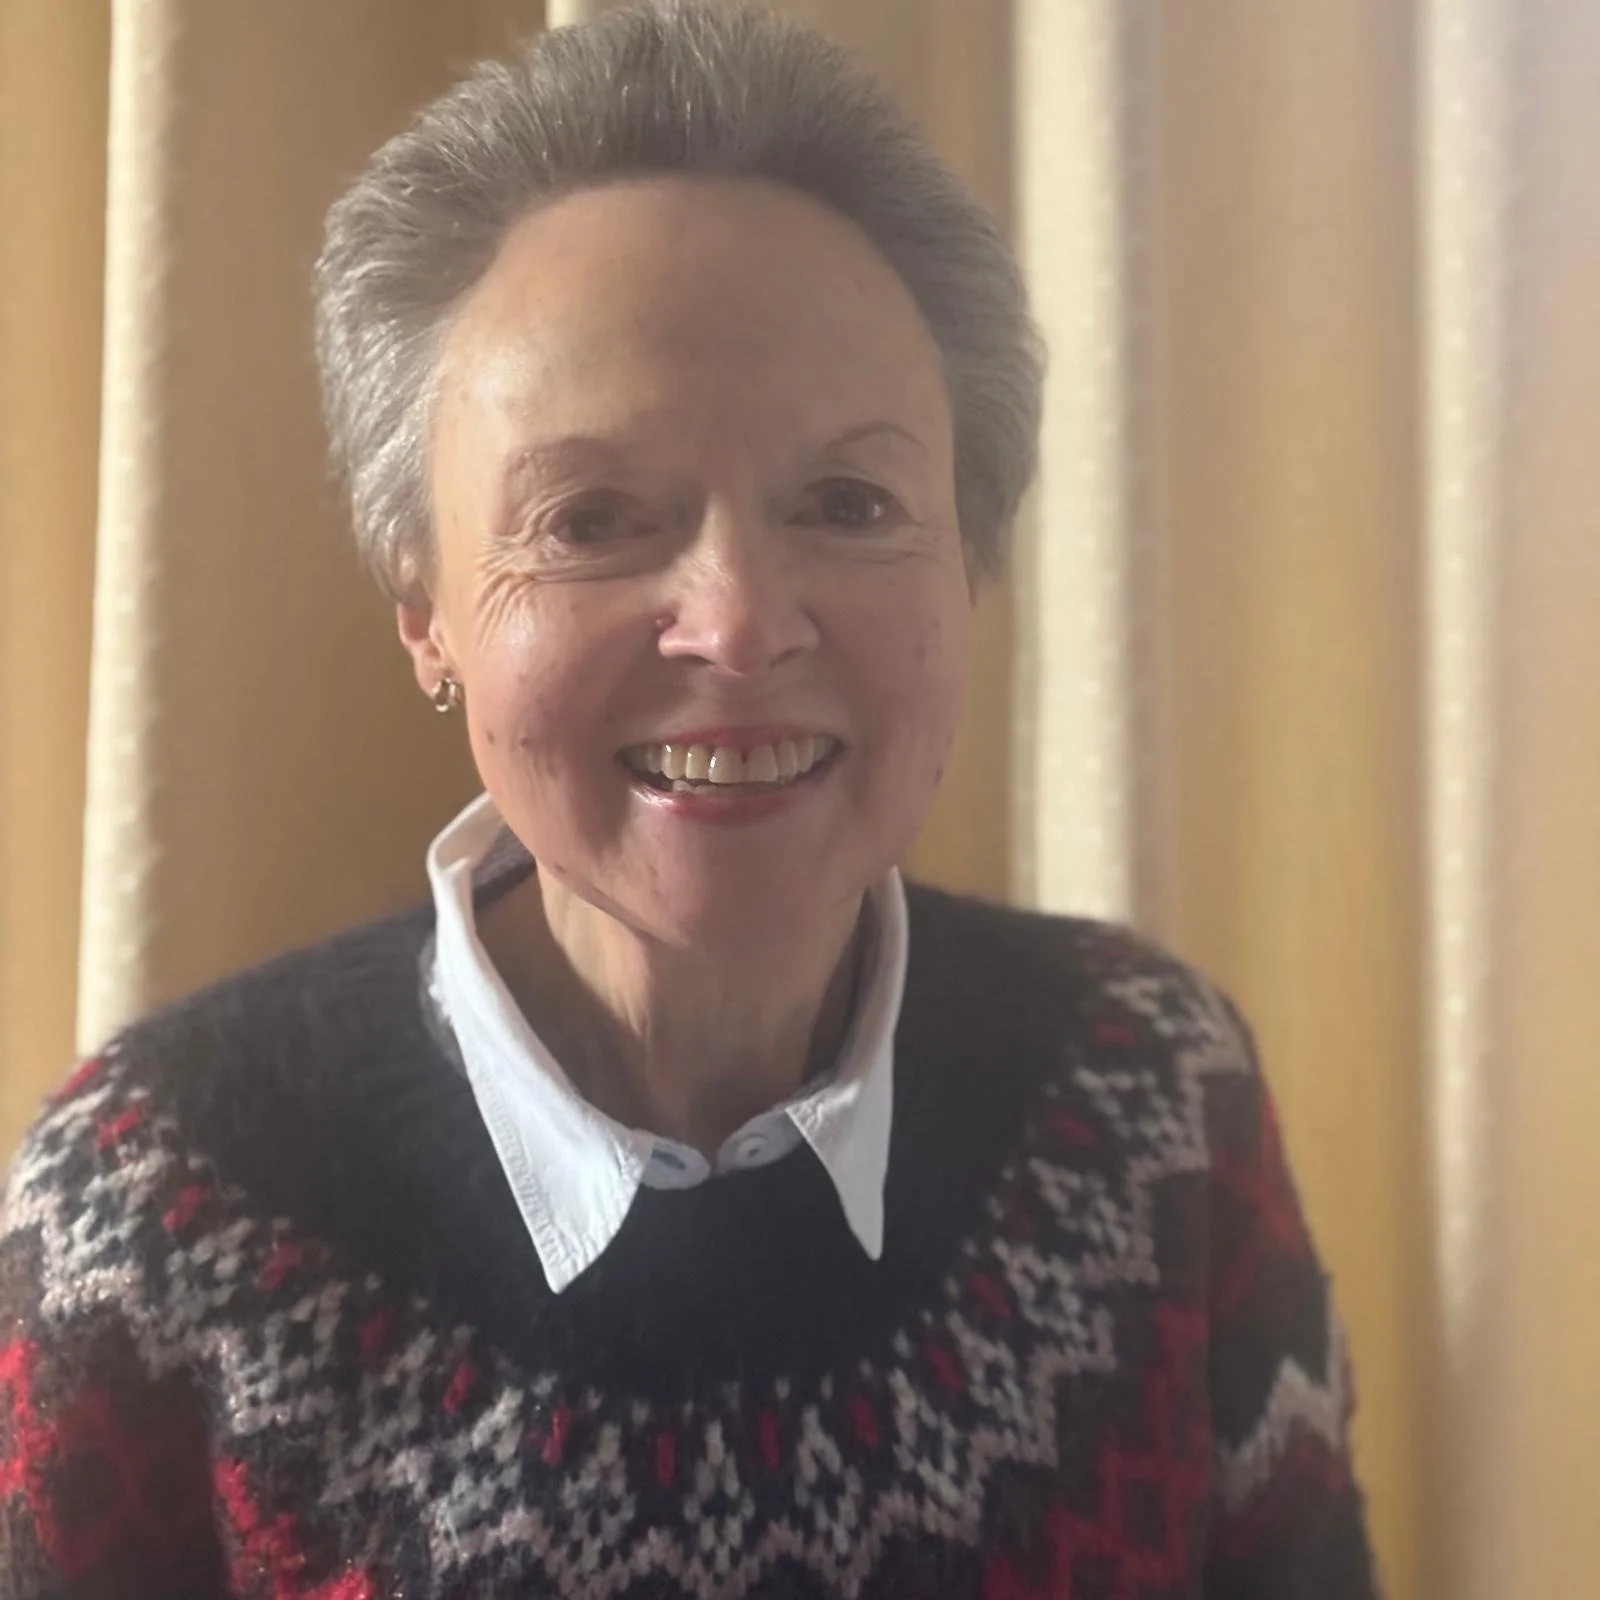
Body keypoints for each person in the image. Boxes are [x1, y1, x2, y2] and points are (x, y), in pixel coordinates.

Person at [0, 4, 1378, 1596]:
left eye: (849, 502)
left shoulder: (1153, 1108)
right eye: (590, 517)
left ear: (972, 556)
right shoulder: (155, 1210)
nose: (738, 621)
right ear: (424, 606)